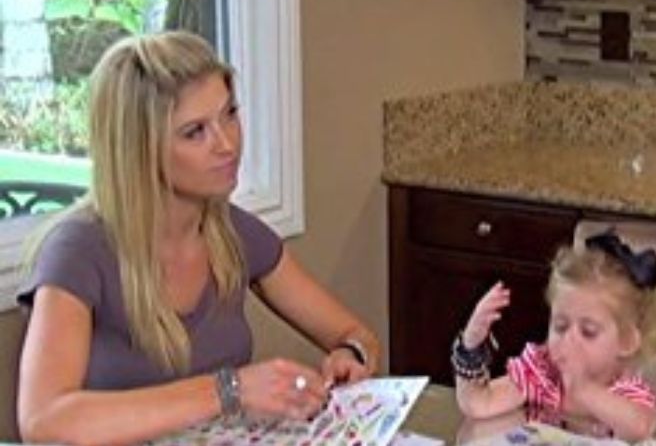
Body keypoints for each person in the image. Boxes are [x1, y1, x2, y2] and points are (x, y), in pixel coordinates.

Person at [16, 31, 383, 445]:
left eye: (230, 114)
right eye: (195, 132)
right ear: (140, 149)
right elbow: (44, 422)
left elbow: (355, 333)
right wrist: (230, 391)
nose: (228, 144)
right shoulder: (77, 251)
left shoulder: (233, 231)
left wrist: (350, 356)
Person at [453, 230, 656, 441]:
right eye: (560, 326)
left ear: (627, 342)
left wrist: (581, 388)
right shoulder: (541, 373)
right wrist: (471, 345)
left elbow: (639, 428)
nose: (568, 340)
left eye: (588, 332)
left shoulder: (625, 392)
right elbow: (478, 405)